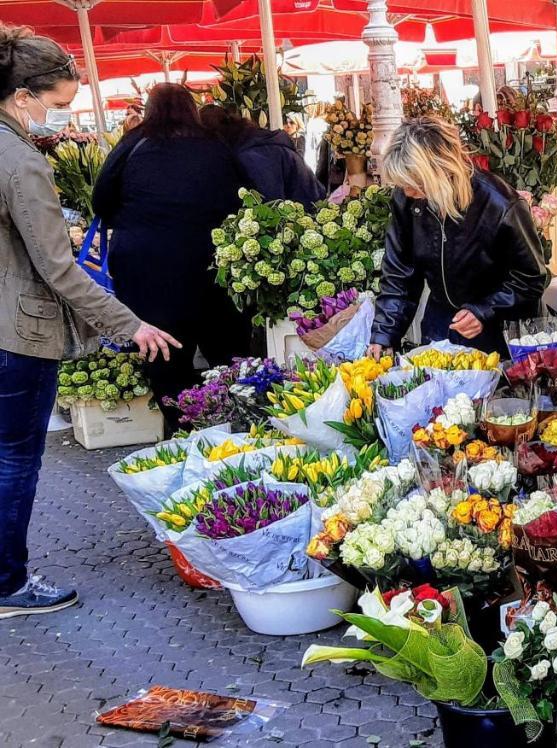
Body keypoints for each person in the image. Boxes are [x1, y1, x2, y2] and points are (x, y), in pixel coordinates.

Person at [0, 24, 178, 617]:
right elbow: (59, 269)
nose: (57, 120)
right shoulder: (20, 161)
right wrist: (131, 326)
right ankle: (8, 584)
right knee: (14, 458)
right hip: (16, 333)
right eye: (55, 106)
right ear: (23, 96)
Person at [92, 84, 251, 430]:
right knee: (226, 351)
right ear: (192, 109)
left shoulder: (133, 143)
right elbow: (241, 199)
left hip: (146, 269)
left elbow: (101, 200)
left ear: (150, 110)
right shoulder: (214, 146)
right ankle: (235, 426)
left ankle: (181, 428)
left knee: (164, 354)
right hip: (210, 266)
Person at [367, 118, 547, 357]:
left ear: (441, 171)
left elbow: (531, 277)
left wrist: (485, 310)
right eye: (404, 185)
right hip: (441, 325)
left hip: (501, 333)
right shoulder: (407, 201)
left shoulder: (499, 204)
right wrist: (384, 334)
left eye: (416, 183)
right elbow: (400, 274)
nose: (408, 192)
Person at [201, 104, 326, 204]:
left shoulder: (251, 155)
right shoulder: (255, 142)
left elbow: (271, 204)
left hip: (305, 212)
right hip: (309, 204)